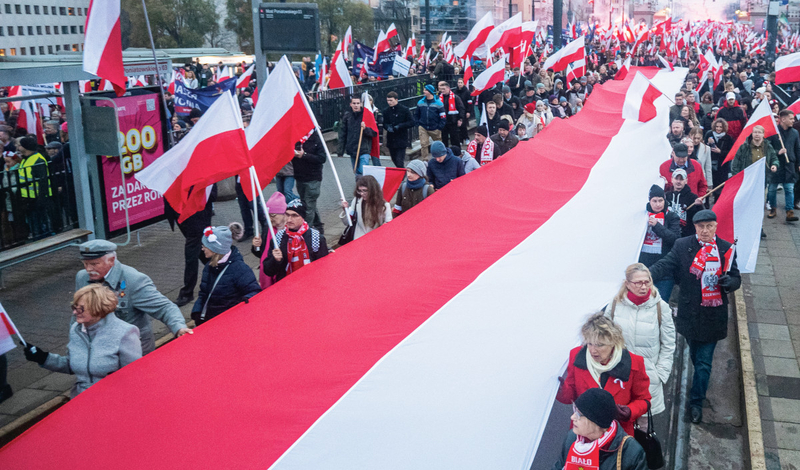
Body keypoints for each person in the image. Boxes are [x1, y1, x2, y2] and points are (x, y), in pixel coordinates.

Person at [649, 210, 741, 424]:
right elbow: (665, 265)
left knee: (703, 362)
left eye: (709, 226)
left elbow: (736, 277)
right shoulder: (682, 245)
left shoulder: (726, 249)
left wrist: (730, 283)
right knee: (695, 355)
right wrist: (643, 275)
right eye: (701, 227)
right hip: (690, 314)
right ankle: (699, 383)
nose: (705, 230)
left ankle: (696, 402)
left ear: (715, 226)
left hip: (713, 315)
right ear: (695, 227)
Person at [23, 284, 142, 398]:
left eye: (81, 309)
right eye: (74, 307)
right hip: (80, 399)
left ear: (98, 309)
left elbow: (134, 377)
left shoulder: (125, 333)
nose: (75, 312)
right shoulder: (76, 329)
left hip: (113, 400)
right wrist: (44, 358)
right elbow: (72, 365)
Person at [75, 239, 192, 354]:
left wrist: (179, 328)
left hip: (131, 349)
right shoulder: (82, 277)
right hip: (99, 347)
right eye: (85, 264)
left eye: (94, 264)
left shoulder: (134, 280)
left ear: (111, 260)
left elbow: (164, 308)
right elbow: (79, 313)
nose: (88, 269)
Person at [604, 264, 676, 430]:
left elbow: (668, 344)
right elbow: (604, 339)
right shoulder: (614, 305)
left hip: (647, 380)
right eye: (638, 283)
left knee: (643, 429)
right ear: (627, 284)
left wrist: (660, 374)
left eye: (647, 281)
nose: (643, 287)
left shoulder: (661, 307)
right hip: (618, 379)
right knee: (615, 427)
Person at [556, 313, 651, 436]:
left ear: (613, 342)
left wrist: (630, 411)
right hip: (583, 433)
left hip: (617, 434)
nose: (592, 350)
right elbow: (570, 396)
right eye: (589, 343)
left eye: (599, 345)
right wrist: (561, 390)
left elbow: (643, 400)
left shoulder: (634, 363)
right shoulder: (577, 356)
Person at [551, 388, 648, 470]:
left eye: (579, 415)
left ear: (597, 422)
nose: (572, 417)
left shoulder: (631, 451)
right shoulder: (572, 438)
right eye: (574, 411)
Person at [191, 225, 261, 326]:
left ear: (215, 249)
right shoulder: (209, 266)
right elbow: (203, 293)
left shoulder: (240, 269)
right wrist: (197, 312)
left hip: (230, 323)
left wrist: (239, 308)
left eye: (205, 246)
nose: (202, 249)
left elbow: (254, 293)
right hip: (211, 320)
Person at [263, 199, 329, 282]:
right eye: (287, 215)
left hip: (312, 282)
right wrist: (275, 260)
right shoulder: (278, 239)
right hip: (287, 285)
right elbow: (268, 271)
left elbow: (324, 268)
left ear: (303, 217)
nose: (289, 220)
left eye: (294, 215)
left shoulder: (316, 238)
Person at [639, 185, 681, 299]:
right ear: (649, 201)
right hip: (644, 267)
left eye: (660, 200)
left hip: (664, 270)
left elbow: (675, 239)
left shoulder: (671, 216)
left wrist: (657, 226)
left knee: (661, 304)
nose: (658, 204)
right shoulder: (642, 216)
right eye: (654, 201)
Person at [730, 124, 781, 216]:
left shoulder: (768, 147)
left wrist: (774, 165)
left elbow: (774, 158)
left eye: (759, 132)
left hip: (762, 179)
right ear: (752, 134)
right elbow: (736, 163)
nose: (757, 134)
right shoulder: (744, 147)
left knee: (760, 201)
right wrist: (736, 177)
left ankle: (757, 221)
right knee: (747, 201)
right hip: (747, 179)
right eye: (755, 132)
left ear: (763, 134)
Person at [766, 109, 800, 221]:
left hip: (790, 165)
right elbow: (767, 149)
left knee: (789, 188)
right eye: (791, 118)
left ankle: (789, 212)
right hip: (776, 165)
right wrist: (778, 152)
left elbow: (798, 149)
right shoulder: (773, 133)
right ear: (783, 119)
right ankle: (773, 208)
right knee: (772, 189)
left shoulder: (795, 133)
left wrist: (799, 163)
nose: (793, 121)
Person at [16, 136, 52, 239]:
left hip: (37, 198)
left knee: (40, 225)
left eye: (20, 145)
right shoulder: (26, 158)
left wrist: (41, 199)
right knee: (35, 224)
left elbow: (43, 181)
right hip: (29, 198)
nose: (18, 147)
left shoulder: (37, 160)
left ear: (25, 147)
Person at [292, 130, 326, 231]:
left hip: (313, 178)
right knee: (308, 204)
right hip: (300, 177)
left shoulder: (316, 138)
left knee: (308, 206)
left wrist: (304, 155)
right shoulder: (296, 138)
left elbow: (322, 158)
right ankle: (318, 226)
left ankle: (306, 231)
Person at [252, 192, 286, 289]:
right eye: (268, 215)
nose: (270, 219)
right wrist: (256, 246)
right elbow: (262, 255)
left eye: (273, 215)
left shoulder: (291, 231)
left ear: (283, 213)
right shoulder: (268, 229)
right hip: (269, 272)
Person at [340, 175, 392, 239]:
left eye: (365, 190)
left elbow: (389, 225)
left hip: (376, 239)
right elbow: (347, 223)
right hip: (359, 238)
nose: (361, 194)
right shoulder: (356, 200)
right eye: (360, 190)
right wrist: (345, 210)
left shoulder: (385, 206)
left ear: (373, 190)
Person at [338, 96, 377, 174]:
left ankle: (364, 181)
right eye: (354, 103)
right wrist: (340, 151)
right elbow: (343, 134)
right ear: (351, 104)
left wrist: (365, 129)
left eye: (358, 103)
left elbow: (374, 132)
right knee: (356, 171)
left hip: (364, 149)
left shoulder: (366, 116)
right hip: (352, 148)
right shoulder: (347, 116)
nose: (356, 105)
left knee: (362, 170)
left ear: (361, 104)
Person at [382, 91, 414, 168]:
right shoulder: (386, 111)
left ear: (396, 99)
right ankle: (401, 173)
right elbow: (384, 123)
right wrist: (387, 127)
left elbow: (412, 122)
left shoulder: (404, 110)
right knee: (394, 160)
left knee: (400, 161)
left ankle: (402, 174)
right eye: (388, 100)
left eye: (391, 100)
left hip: (401, 139)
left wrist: (400, 126)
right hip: (391, 139)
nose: (389, 102)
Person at [414, 84, 446, 160]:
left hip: (435, 127)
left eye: (425, 90)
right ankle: (425, 160)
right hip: (423, 127)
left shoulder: (438, 103)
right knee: (423, 144)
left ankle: (439, 158)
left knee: (438, 144)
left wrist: (440, 127)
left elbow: (443, 116)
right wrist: (418, 123)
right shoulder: (420, 102)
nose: (423, 91)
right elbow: (416, 114)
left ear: (430, 92)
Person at [704, 118, 733, 187]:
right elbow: (703, 147)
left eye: (720, 127)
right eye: (717, 126)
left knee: (720, 185)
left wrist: (720, 151)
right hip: (711, 163)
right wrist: (708, 144)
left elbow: (730, 153)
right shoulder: (709, 134)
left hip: (722, 166)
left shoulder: (728, 138)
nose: (718, 129)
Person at [438, 81, 465, 148]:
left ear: (448, 88)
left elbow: (461, 108)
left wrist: (460, 119)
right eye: (441, 89)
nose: (442, 91)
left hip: (453, 121)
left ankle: (457, 151)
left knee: (455, 139)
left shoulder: (455, 97)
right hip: (443, 121)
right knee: (444, 139)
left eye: (444, 89)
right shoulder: (439, 98)